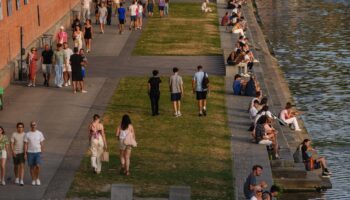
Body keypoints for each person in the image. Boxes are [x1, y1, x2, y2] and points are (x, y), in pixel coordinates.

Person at [24, 121, 45, 186]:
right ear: (30, 126)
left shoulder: (39, 133)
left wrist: (42, 151)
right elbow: (26, 144)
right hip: (30, 152)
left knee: (38, 166)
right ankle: (33, 179)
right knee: (31, 167)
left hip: (38, 152)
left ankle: (37, 178)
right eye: (32, 125)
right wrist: (25, 153)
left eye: (34, 125)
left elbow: (42, 143)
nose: (33, 126)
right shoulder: (27, 134)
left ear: (36, 125)